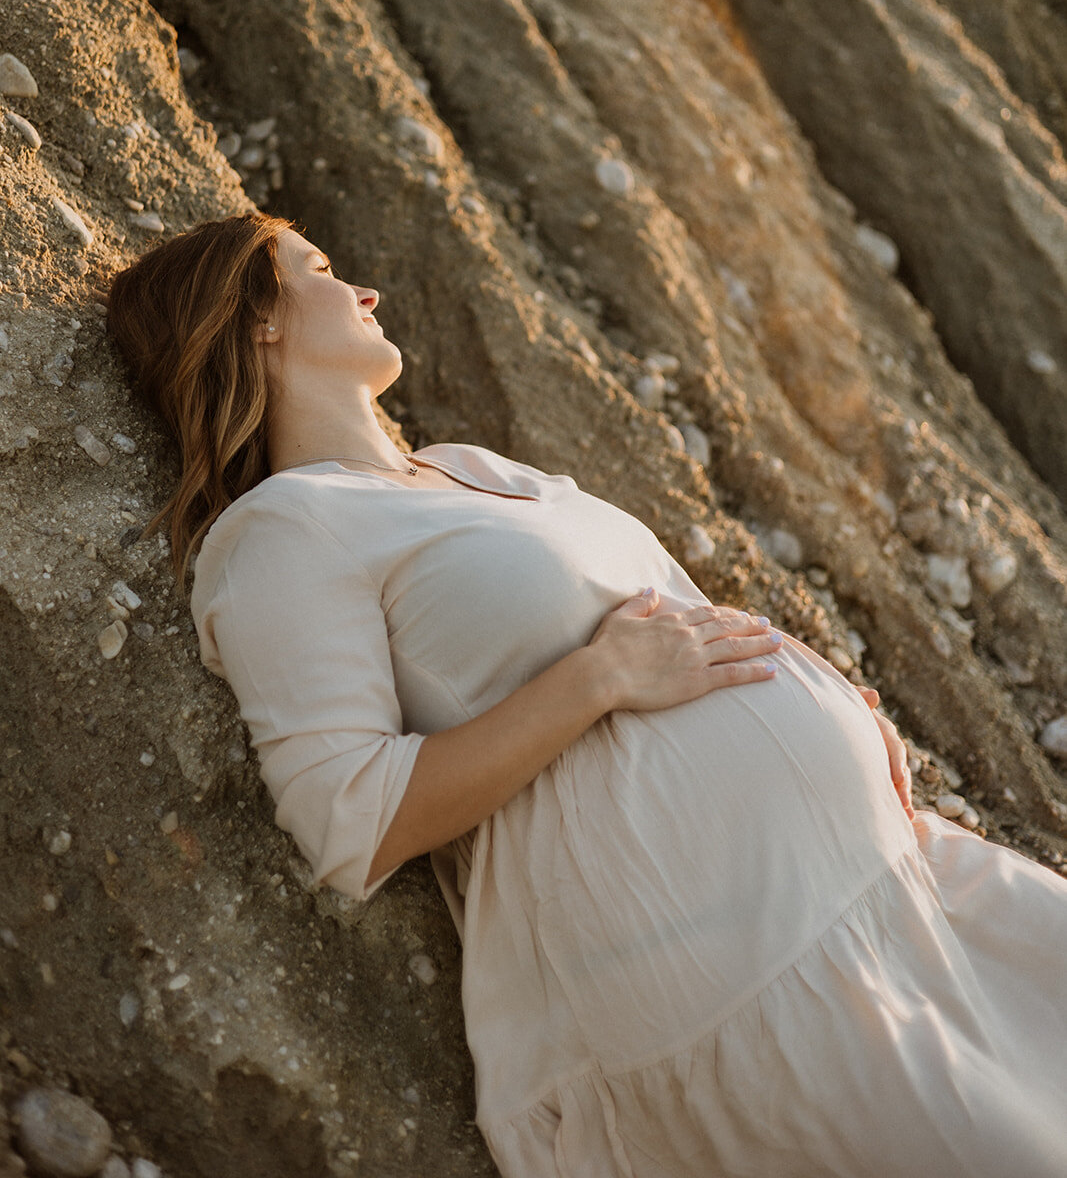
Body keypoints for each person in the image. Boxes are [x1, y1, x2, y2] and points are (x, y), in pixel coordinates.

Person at [106, 211, 1067, 1178]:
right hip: (745, 981)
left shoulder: (475, 470)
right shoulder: (284, 533)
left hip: (898, 882)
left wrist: (831, 702)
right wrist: (597, 679)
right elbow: (349, 816)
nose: (365, 289)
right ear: (257, 319)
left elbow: (670, 621)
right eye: (319, 268)